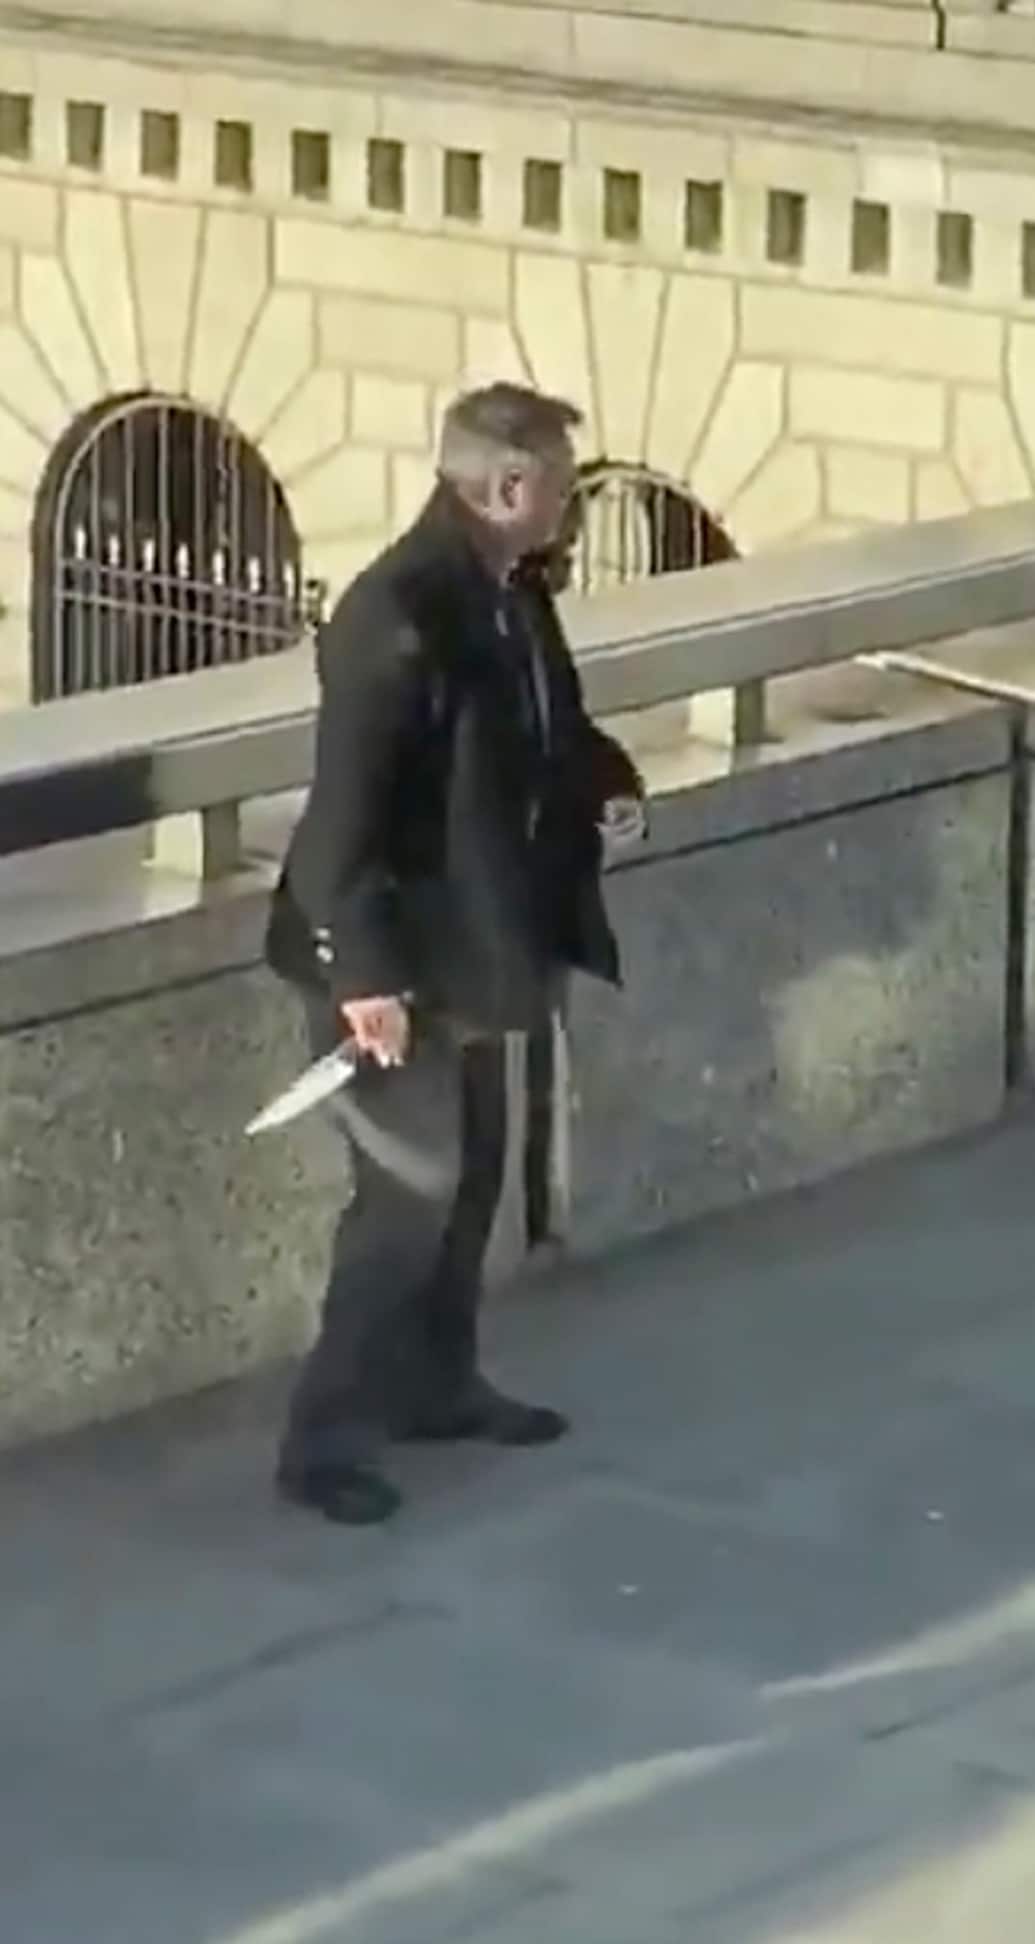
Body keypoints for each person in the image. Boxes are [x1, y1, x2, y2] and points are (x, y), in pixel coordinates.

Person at [264, 383, 645, 1525]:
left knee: (474, 1173)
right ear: (509, 486)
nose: (571, 507)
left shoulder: (509, 594)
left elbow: (547, 727)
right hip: (390, 967)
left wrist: (609, 784)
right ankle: (323, 1439)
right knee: (404, 1196)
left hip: (474, 952)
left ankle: (436, 1384)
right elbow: (344, 821)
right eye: (565, 486)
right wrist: (364, 982)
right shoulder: (396, 614)